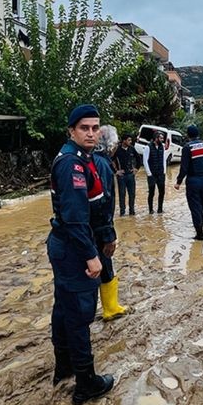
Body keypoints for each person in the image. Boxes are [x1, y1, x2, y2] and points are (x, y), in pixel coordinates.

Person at [47, 103, 114, 405]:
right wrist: (92, 256)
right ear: (71, 131)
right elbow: (75, 218)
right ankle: (85, 382)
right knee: (78, 315)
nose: (91, 133)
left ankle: (65, 367)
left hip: (67, 245)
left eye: (95, 127)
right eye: (84, 128)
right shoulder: (72, 164)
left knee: (64, 307)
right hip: (75, 248)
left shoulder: (82, 158)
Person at [92, 126, 128, 321]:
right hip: (98, 229)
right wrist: (109, 235)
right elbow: (104, 202)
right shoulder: (103, 165)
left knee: (102, 265)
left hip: (90, 227)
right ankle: (110, 308)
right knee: (104, 264)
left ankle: (109, 307)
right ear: (110, 145)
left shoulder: (91, 160)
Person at [174, 125, 203, 240]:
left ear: (188, 135)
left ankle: (200, 234)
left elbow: (184, 167)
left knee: (195, 207)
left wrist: (178, 182)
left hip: (193, 180)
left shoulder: (187, 147)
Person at [112, 134, 138, 216]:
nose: (130, 142)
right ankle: (122, 212)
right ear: (124, 141)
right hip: (121, 176)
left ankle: (132, 211)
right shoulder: (117, 149)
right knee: (122, 194)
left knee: (132, 194)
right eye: (129, 140)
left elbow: (138, 158)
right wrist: (116, 171)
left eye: (131, 140)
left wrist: (136, 168)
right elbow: (110, 160)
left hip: (130, 175)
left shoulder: (132, 149)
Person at [142, 131, 168, 214]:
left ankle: (160, 209)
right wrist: (149, 173)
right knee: (151, 192)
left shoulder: (162, 147)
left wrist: (164, 171)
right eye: (160, 138)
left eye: (162, 138)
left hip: (160, 173)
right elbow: (145, 161)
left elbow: (164, 159)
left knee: (162, 192)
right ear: (156, 138)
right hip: (152, 174)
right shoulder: (148, 147)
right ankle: (150, 210)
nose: (162, 140)